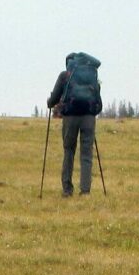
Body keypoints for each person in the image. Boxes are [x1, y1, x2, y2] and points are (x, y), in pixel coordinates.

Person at [47, 52, 102, 197]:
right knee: (86, 154)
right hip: (89, 118)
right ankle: (85, 191)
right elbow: (97, 93)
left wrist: (50, 102)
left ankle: (67, 189)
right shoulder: (91, 74)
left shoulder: (65, 75)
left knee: (69, 151)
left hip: (70, 117)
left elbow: (54, 98)